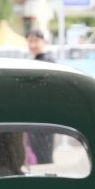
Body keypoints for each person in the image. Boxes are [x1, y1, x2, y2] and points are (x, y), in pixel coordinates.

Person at [24, 29, 56, 164]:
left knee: (42, 155)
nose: (32, 45)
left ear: (44, 41)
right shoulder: (37, 60)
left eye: (36, 41)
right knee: (38, 153)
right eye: (30, 41)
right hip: (37, 114)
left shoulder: (47, 61)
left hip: (43, 115)